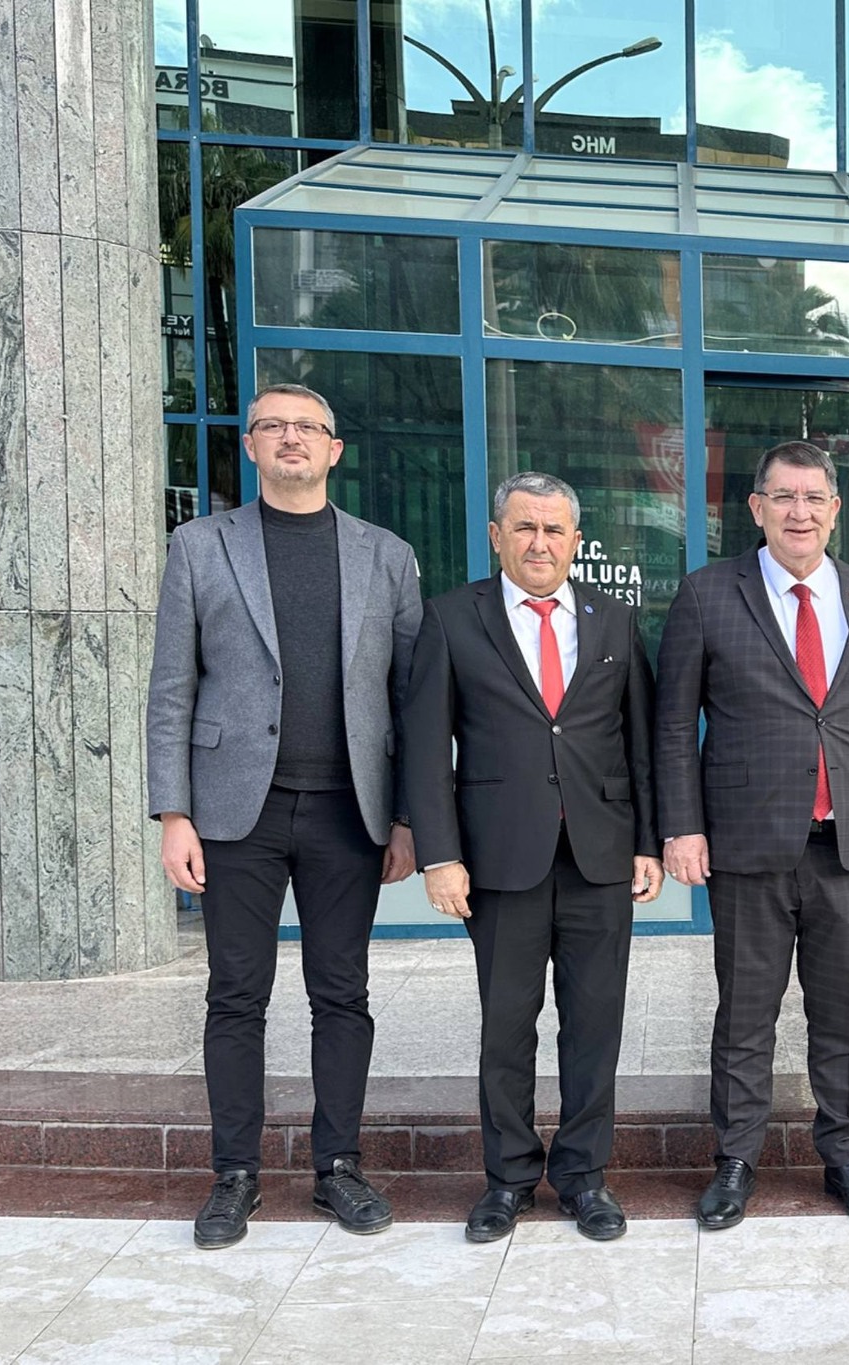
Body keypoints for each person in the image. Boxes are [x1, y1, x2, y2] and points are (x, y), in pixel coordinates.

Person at [147, 383, 422, 1250]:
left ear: (334, 449)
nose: (291, 437)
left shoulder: (387, 555)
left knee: (342, 992)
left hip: (349, 810)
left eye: (307, 427)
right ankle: (235, 1173)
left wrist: (409, 817)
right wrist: (173, 811)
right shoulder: (199, 546)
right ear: (252, 446)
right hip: (236, 811)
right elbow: (171, 688)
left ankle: (338, 1165)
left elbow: (412, 697)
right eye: (273, 425)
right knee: (236, 993)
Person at [657, 441, 849, 1229]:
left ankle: (847, 1159)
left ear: (835, 510)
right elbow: (673, 725)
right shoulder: (708, 594)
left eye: (813, 498)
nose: (798, 512)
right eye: (783, 497)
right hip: (747, 845)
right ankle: (736, 1160)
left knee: (843, 1013)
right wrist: (682, 825)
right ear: (756, 507)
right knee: (746, 1014)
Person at [402, 471, 661, 1243]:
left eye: (554, 529)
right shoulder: (453, 618)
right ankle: (509, 1177)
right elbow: (425, 748)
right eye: (524, 527)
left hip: (598, 858)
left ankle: (584, 1175)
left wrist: (648, 841)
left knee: (595, 1026)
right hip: (499, 861)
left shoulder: (615, 620)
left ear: (576, 541)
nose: (539, 542)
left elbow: (641, 745)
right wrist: (439, 855)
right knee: (506, 1027)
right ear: (497, 536)